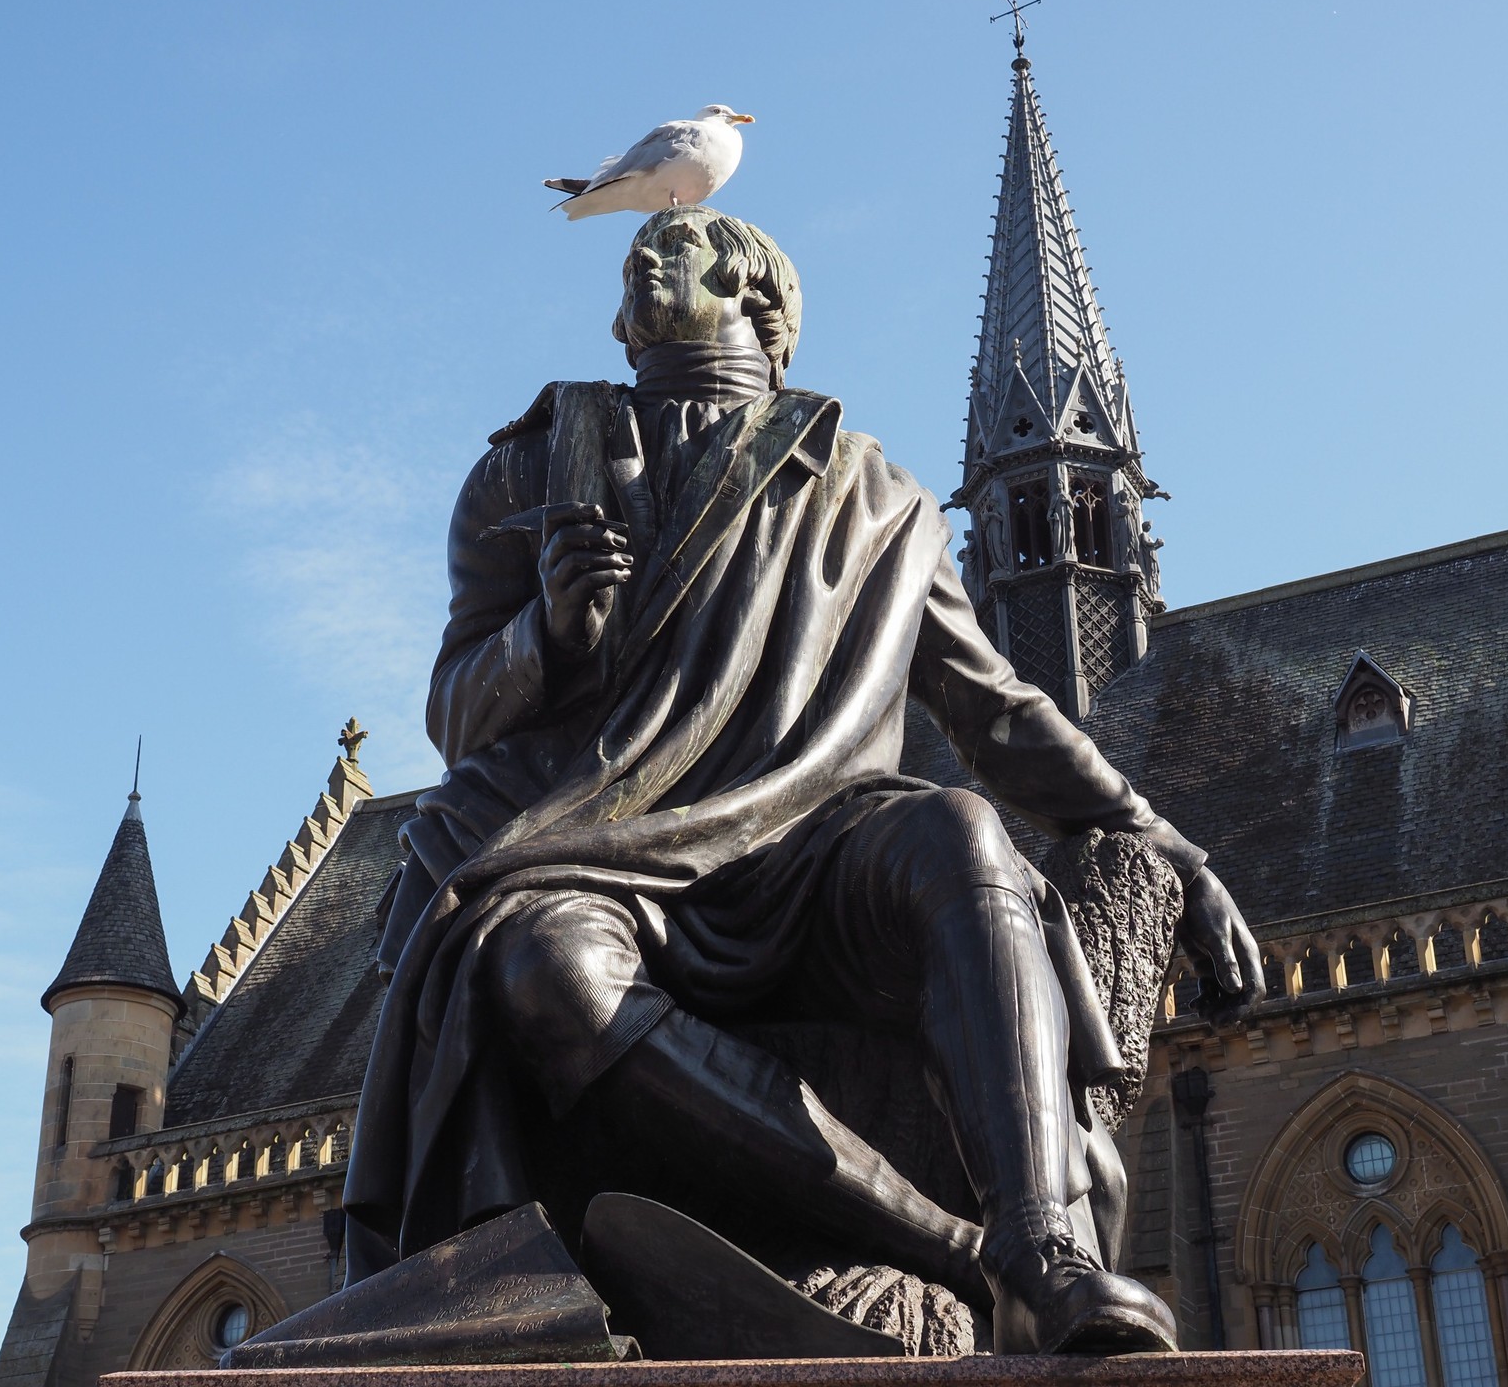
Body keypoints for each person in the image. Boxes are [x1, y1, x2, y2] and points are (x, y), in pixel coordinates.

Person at [345, 206, 1262, 1355]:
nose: (649, 249)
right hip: (601, 860)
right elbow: (454, 711)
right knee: (544, 966)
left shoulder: (877, 496)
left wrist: (1156, 833)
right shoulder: (527, 470)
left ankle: (1041, 1243)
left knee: (964, 835)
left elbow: (997, 712)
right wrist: (546, 633)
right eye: (638, 256)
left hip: (801, 855)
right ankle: (945, 1244)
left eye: (684, 245)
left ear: (762, 302)